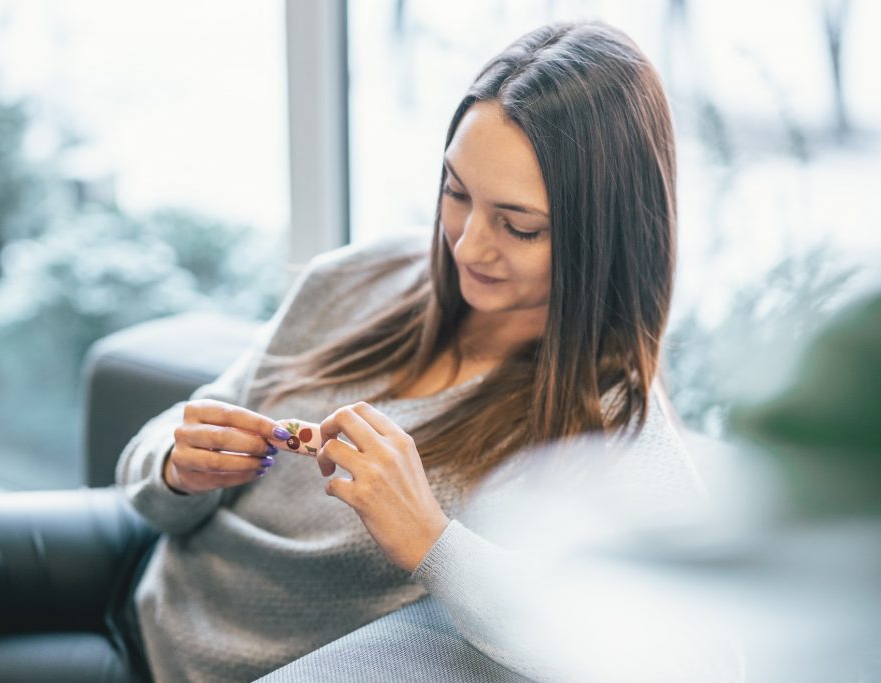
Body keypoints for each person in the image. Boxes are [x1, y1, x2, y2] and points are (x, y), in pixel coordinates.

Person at [116, 19, 703, 682]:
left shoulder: (608, 424)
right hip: (142, 601)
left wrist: (430, 538)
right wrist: (176, 467)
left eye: (519, 226)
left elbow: (673, 655)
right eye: (456, 193)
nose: (468, 245)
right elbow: (162, 448)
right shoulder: (358, 276)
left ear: (605, 232)